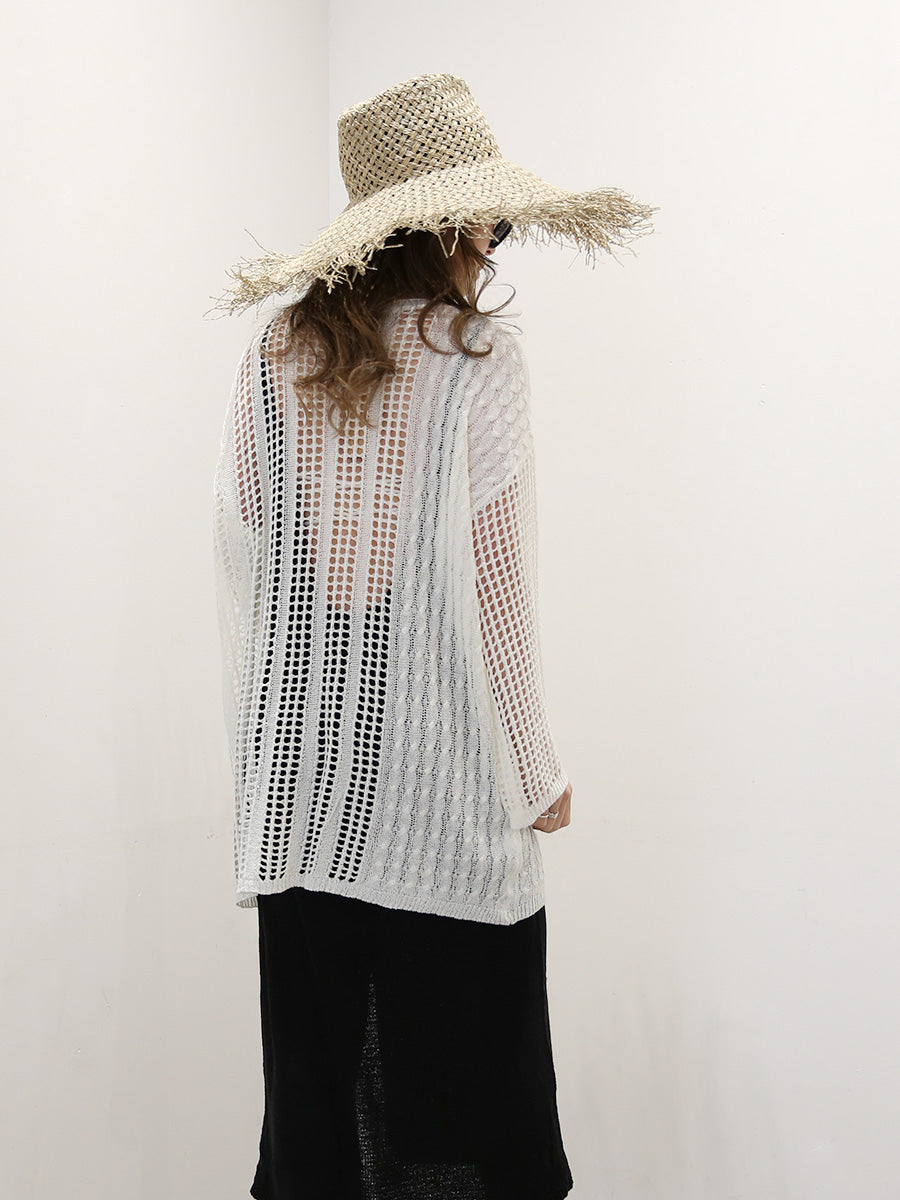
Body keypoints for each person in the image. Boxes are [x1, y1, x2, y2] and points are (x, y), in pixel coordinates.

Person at [212, 72, 655, 1200]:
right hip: (444, 797)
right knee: (462, 1140)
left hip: (306, 798)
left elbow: (254, 545)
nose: (497, 242)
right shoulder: (474, 358)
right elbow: (497, 593)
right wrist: (537, 770)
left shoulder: (275, 351)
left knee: (326, 1138)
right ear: (450, 224)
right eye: (493, 222)